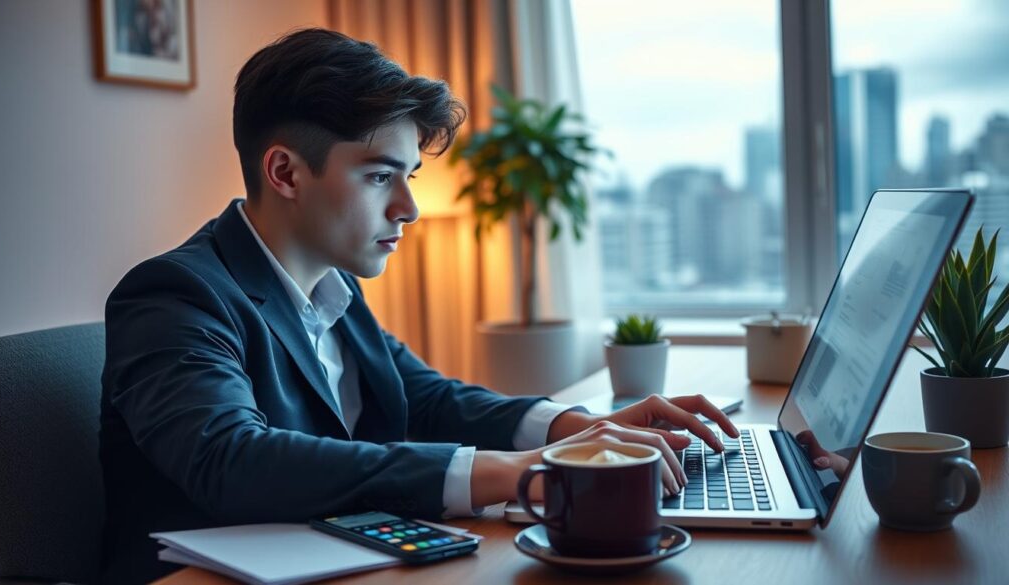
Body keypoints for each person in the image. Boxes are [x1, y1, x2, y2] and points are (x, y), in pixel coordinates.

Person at [98, 28, 739, 584]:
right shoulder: (177, 294)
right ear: (286, 173)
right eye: (380, 176)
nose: (408, 208)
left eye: (409, 177)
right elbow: (231, 460)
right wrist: (512, 473)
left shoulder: (332, 287)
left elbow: (427, 399)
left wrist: (568, 430)